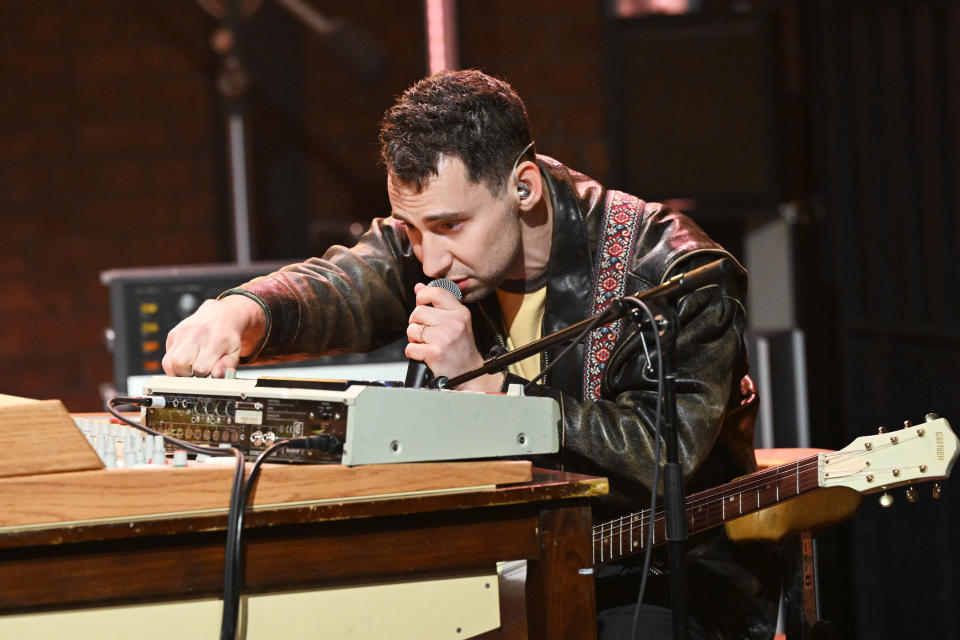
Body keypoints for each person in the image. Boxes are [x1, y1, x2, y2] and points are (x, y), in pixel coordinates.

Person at [163, 69, 778, 639]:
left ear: (524, 188)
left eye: (450, 227)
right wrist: (241, 312)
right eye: (411, 232)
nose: (428, 261)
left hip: (655, 580)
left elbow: (656, 452)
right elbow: (344, 284)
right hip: (496, 562)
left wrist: (494, 395)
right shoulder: (436, 244)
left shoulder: (677, 275)